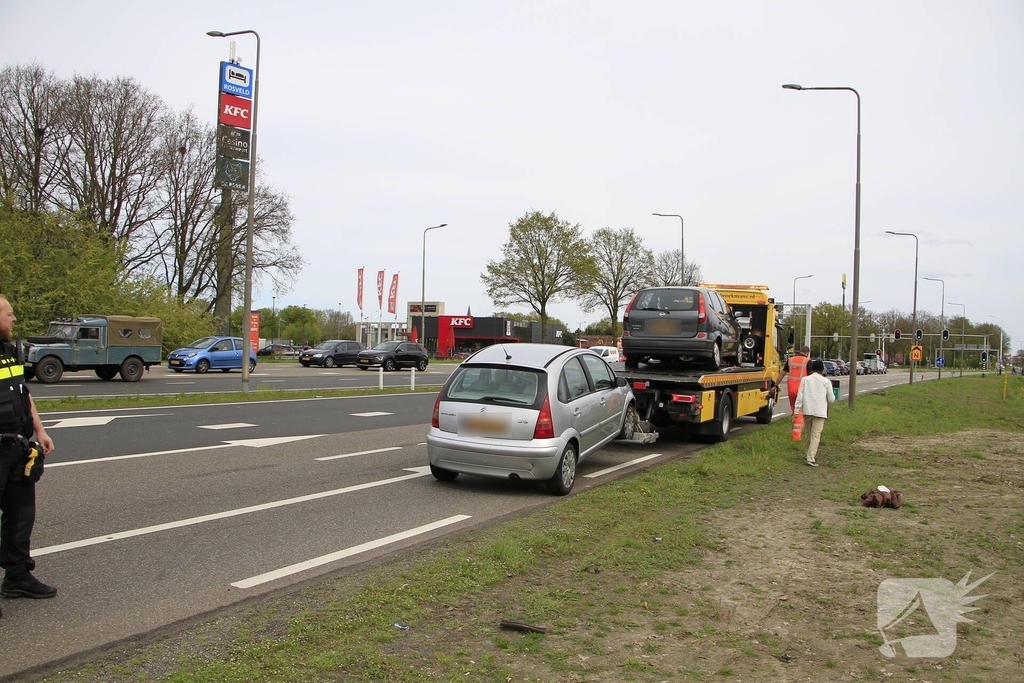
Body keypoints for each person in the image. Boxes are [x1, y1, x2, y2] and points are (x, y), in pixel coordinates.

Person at [0, 294, 56, 618]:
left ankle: (17, 577)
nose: (14, 319)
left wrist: (40, 430)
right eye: (9, 314)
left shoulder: (11, 352)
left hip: (17, 447)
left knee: (21, 515)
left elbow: (23, 393)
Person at [794, 359, 836, 467]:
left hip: (807, 410)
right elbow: (831, 399)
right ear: (822, 370)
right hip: (820, 411)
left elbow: (800, 396)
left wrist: (796, 410)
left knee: (808, 433)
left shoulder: (805, 380)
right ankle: (811, 458)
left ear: (812, 369)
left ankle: (809, 453)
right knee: (816, 435)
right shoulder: (826, 382)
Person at [777, 345, 811, 414]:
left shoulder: (790, 360)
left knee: (793, 408)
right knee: (801, 409)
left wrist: (775, 385)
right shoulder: (808, 361)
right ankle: (799, 424)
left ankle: (795, 422)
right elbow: (811, 377)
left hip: (791, 389)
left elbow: (782, 374)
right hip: (802, 389)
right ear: (807, 353)